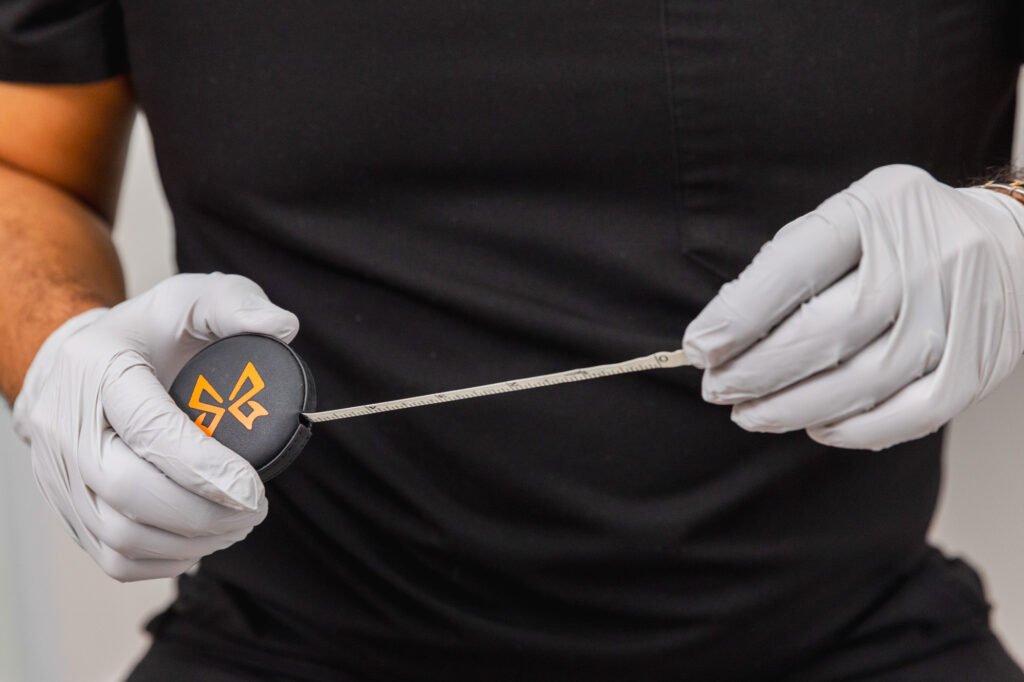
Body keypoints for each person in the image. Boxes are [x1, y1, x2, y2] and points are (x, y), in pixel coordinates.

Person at [1, 2, 1023, 680]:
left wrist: (1013, 225)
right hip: (284, 642)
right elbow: (22, 166)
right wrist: (59, 343)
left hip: (852, 640)